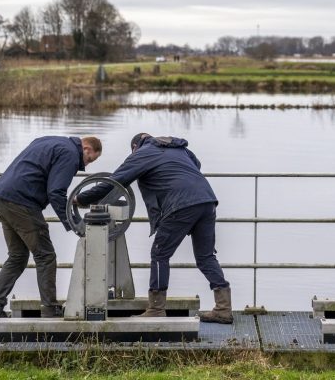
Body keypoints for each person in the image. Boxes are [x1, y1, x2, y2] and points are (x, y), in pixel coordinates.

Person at [75, 133, 233, 324]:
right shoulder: (178, 148)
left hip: (180, 205)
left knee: (160, 255)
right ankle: (223, 308)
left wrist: (81, 199)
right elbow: (196, 164)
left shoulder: (143, 154)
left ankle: (157, 309)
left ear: (135, 147)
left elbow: (115, 181)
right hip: (207, 201)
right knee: (206, 257)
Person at [0, 136, 102, 331]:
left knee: (18, 256)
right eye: (89, 160)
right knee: (45, 256)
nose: (85, 165)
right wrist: (73, 223)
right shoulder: (70, 154)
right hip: (22, 203)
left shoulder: (49, 141)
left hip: (2, 198)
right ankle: (49, 309)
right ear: (86, 148)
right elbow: (56, 192)